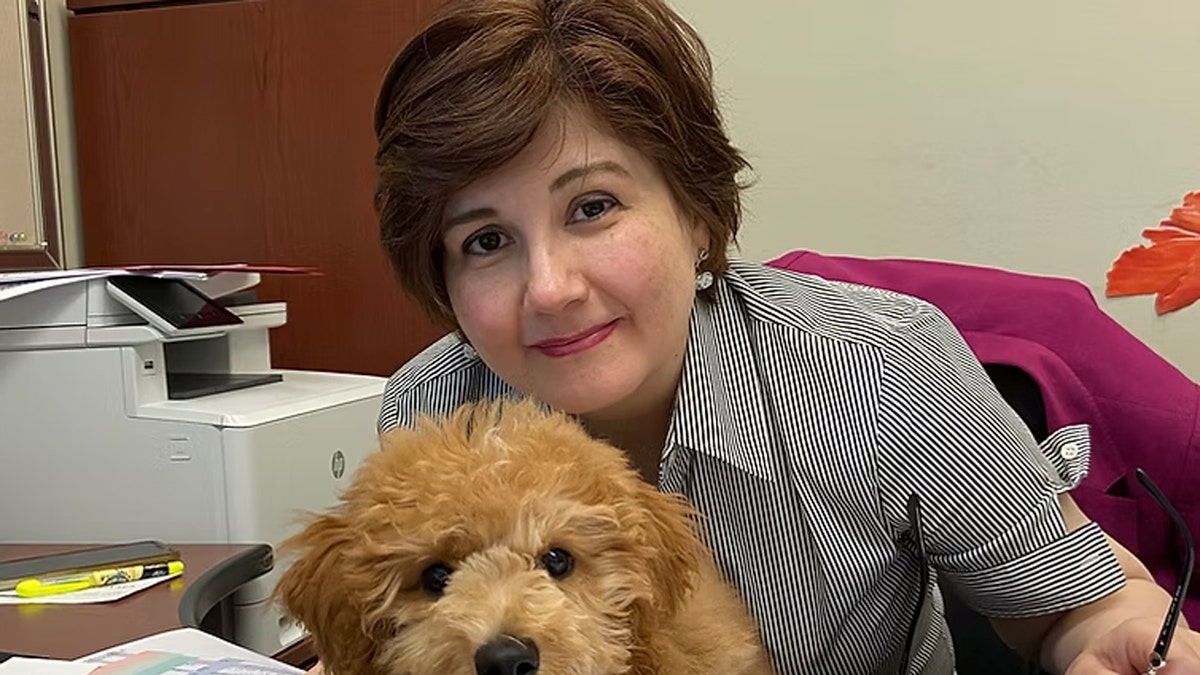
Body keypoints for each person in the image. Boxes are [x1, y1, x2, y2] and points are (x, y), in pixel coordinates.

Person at [311, 0, 1199, 673]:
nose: (549, 287)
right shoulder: (432, 403)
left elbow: (1070, 601)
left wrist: (1114, 633)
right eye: (486, 241)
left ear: (697, 214)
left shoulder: (879, 370)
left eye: (593, 206)